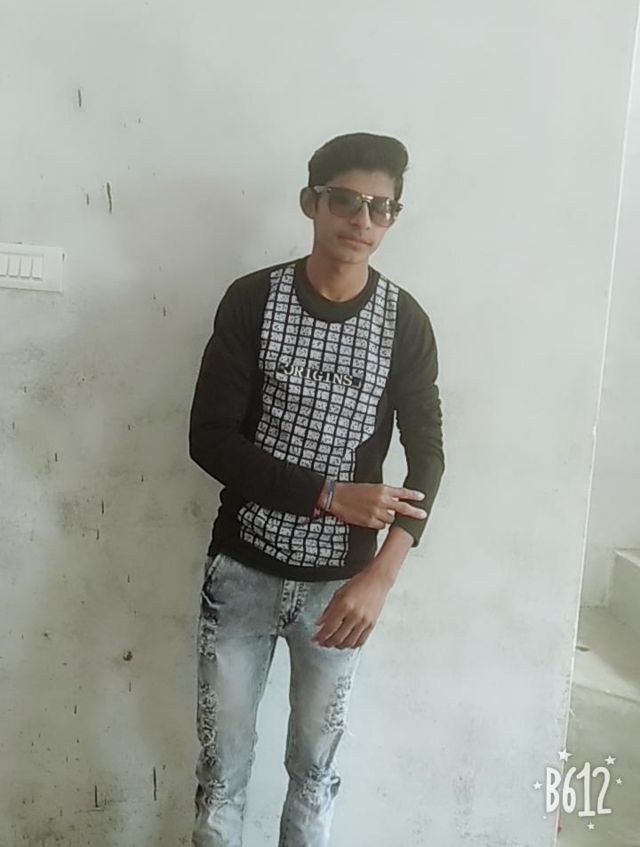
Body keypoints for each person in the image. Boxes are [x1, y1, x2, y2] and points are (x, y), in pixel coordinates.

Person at [188, 131, 445, 847]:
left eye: (380, 207)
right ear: (311, 202)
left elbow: (428, 459)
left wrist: (381, 578)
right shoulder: (254, 300)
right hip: (241, 572)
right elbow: (210, 438)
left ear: (392, 217)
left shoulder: (404, 322)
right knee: (222, 773)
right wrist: (330, 495)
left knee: (315, 773)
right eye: (345, 201)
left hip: (340, 592)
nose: (362, 220)